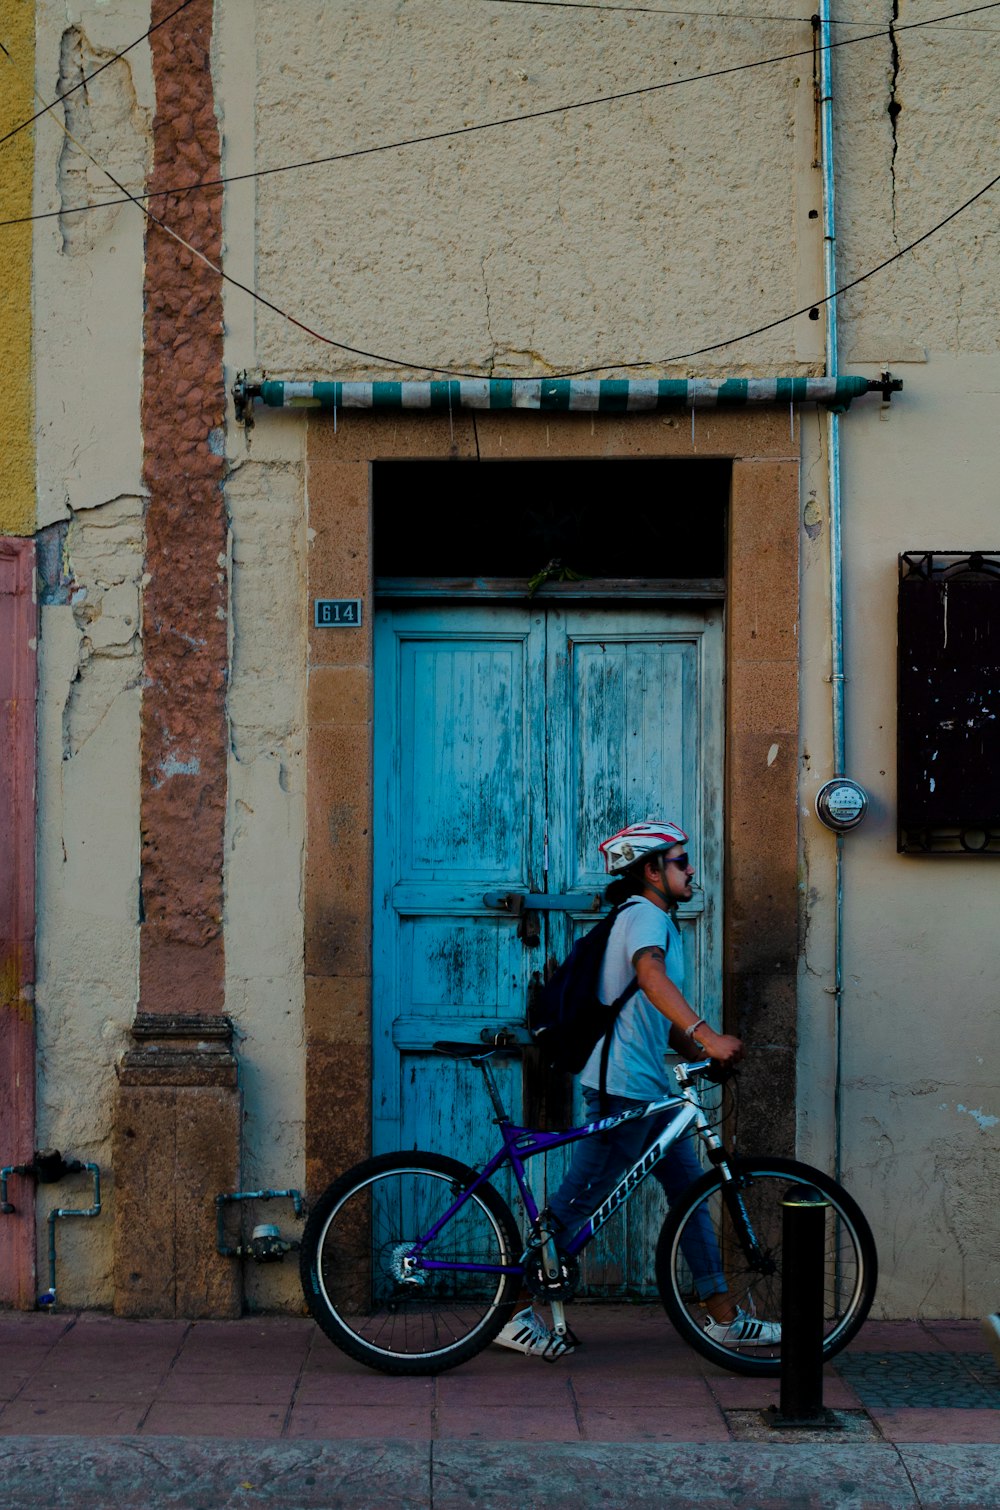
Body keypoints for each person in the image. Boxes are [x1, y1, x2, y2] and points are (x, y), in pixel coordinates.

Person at [494, 818, 781, 1359]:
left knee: (691, 1197)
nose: (691, 869)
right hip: (622, 1090)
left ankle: (721, 1316)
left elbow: (646, 1003)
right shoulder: (645, 915)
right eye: (680, 861)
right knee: (577, 1204)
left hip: (649, 1090)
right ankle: (510, 1313)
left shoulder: (642, 916)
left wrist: (697, 1051)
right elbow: (650, 977)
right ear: (651, 870)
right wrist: (707, 1034)